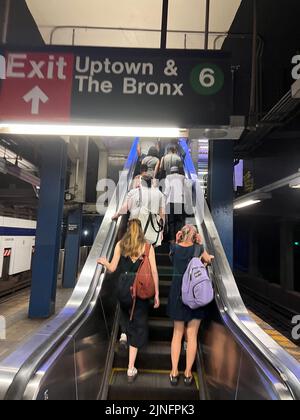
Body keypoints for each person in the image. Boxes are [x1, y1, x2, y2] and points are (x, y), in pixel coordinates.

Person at [98, 219, 160, 383]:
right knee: (138, 324)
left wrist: (104, 262)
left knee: (125, 311)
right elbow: (154, 271)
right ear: (140, 230)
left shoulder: (120, 245)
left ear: (127, 229)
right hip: (139, 289)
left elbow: (112, 268)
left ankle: (124, 333)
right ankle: (130, 367)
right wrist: (157, 294)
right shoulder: (147, 247)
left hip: (123, 288)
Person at [167, 225, 214, 386]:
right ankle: (187, 373)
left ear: (181, 234)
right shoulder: (199, 249)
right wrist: (201, 244)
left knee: (177, 333)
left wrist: (177, 239)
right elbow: (209, 259)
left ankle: (174, 372)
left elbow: (172, 259)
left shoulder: (174, 248)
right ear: (195, 236)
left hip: (178, 295)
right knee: (192, 334)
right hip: (196, 294)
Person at [113, 175, 166, 247]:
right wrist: (161, 231)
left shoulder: (133, 192)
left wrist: (116, 215)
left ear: (141, 182)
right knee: (148, 251)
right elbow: (162, 214)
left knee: (135, 249)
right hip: (152, 230)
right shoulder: (160, 194)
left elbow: (125, 208)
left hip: (136, 228)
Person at [164, 166, 189, 243]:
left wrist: (163, 200)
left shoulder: (168, 177)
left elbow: (167, 189)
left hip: (171, 202)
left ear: (171, 172)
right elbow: (186, 189)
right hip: (180, 201)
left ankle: (172, 239)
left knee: (171, 221)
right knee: (180, 221)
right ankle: (180, 239)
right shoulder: (183, 177)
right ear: (178, 171)